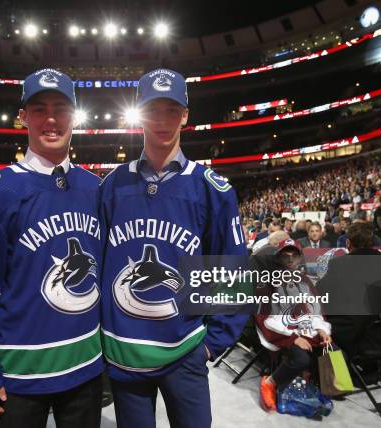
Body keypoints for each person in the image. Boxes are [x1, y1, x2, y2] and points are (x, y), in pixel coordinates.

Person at [0, 69, 103, 428]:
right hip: (19, 374)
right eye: (39, 108)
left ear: (74, 117)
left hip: (86, 368)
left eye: (61, 108)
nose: (51, 118)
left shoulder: (96, 189)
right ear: (23, 118)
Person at [100, 68, 248, 428]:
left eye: (171, 110)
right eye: (153, 110)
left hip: (185, 352)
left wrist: (213, 341)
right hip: (124, 351)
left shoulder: (212, 188)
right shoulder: (112, 184)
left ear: (185, 114)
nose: (162, 120)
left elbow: (232, 270)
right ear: (139, 115)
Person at [254, 239, 332, 412]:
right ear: (278, 257)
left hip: (306, 327)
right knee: (301, 358)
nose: (290, 260)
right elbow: (264, 318)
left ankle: (310, 384)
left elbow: (315, 307)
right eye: (285, 255)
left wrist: (321, 328)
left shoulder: (305, 280)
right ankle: (269, 383)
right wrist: (292, 338)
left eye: (294, 255)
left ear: (300, 258)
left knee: (333, 349)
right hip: (282, 332)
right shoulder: (267, 281)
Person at [317, 222, 381, 356]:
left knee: (319, 331)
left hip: (356, 332)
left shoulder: (339, 264)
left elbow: (321, 292)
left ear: (348, 243)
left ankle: (340, 375)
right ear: (372, 242)